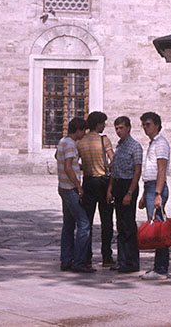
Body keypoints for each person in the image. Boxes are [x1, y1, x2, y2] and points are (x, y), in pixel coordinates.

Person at [76, 111, 115, 268]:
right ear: (98, 124)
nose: (104, 126)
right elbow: (113, 159)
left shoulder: (81, 141)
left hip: (88, 181)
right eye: (103, 123)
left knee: (87, 221)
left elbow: (73, 160)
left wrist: (84, 166)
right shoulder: (103, 140)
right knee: (106, 221)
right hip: (103, 182)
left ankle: (87, 257)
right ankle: (106, 256)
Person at [56, 116, 94, 273]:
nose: (83, 134)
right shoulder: (71, 144)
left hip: (63, 186)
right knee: (84, 224)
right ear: (77, 130)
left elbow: (61, 159)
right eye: (83, 131)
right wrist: (79, 186)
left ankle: (66, 259)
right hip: (70, 188)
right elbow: (68, 167)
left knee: (68, 224)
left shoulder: (62, 142)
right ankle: (79, 261)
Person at [106, 116, 142, 273]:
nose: (118, 131)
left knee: (128, 225)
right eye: (116, 128)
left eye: (121, 128)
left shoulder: (135, 147)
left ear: (128, 128)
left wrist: (130, 192)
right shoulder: (119, 146)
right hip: (118, 185)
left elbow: (137, 171)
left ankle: (131, 262)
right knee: (120, 224)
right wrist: (110, 189)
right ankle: (122, 260)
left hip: (128, 185)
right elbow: (115, 169)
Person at [139, 112, 170, 281]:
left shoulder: (161, 143)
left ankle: (161, 269)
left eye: (148, 124)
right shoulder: (153, 143)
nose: (145, 127)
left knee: (158, 229)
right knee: (157, 227)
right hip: (150, 187)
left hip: (156, 188)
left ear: (157, 125)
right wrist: (146, 194)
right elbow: (151, 171)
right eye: (143, 124)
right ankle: (159, 267)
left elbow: (161, 170)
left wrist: (157, 193)